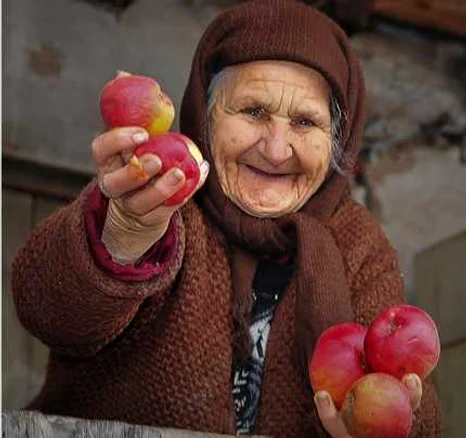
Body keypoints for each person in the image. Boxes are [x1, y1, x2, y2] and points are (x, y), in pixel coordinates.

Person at [11, 1, 443, 436]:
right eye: (254, 111)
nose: (276, 150)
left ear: (336, 140)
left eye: (305, 122)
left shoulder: (359, 243)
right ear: (206, 114)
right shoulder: (158, 196)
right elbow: (47, 312)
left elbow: (414, 401)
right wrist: (123, 237)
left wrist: (388, 421)